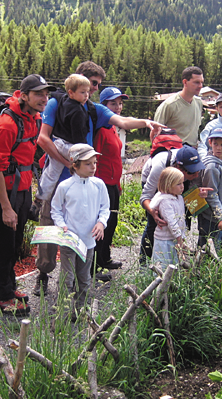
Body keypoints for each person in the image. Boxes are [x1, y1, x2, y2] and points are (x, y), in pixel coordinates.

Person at [35, 61, 162, 293]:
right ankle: (43, 273)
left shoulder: (92, 108)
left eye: (96, 85)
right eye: (92, 84)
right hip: (59, 176)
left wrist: (146, 122)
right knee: (50, 223)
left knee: (82, 224)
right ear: (79, 78)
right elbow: (43, 138)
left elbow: (122, 121)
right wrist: (65, 162)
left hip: (82, 179)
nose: (94, 89)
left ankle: (75, 278)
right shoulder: (56, 103)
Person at [0, 74, 56, 316]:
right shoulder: (6, 125)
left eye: (46, 94)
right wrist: (6, 207)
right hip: (4, 193)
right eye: (39, 94)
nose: (44, 98)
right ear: (24, 95)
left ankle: (9, 289)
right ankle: (2, 298)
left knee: (15, 243)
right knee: (4, 244)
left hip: (23, 189)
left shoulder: (34, 119)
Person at [51, 144, 110, 321]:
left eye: (95, 163)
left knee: (84, 279)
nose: (93, 167)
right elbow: (55, 210)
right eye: (88, 164)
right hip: (69, 241)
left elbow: (105, 208)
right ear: (75, 165)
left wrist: (101, 223)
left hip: (89, 241)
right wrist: (62, 225)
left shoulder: (98, 185)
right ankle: (61, 314)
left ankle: (80, 311)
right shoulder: (65, 186)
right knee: (67, 279)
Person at [139, 145, 208, 263]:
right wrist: (153, 213)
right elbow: (145, 197)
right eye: (192, 173)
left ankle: (177, 253)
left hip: (178, 178)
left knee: (182, 215)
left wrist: (198, 195)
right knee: (153, 223)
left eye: (198, 170)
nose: (196, 175)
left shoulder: (194, 166)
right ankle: (145, 262)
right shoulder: (159, 167)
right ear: (179, 168)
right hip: (155, 183)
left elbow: (190, 202)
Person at [91, 87, 129, 275]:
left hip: (113, 184)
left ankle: (104, 258)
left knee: (112, 222)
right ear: (103, 105)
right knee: (101, 223)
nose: (118, 107)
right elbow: (95, 159)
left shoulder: (112, 128)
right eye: (113, 103)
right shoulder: (101, 130)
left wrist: (118, 184)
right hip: (102, 184)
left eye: (120, 103)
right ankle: (95, 265)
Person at [39, 74, 91, 190]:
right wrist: (83, 149)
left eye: (87, 92)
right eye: (82, 92)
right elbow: (78, 135)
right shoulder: (78, 111)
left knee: (51, 174)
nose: (86, 95)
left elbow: (56, 93)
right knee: (83, 166)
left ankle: (40, 197)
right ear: (71, 92)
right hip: (69, 146)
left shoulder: (63, 99)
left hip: (57, 142)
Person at [198, 124, 222, 248]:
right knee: (209, 247)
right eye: (215, 144)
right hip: (211, 217)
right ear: (210, 143)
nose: (218, 148)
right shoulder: (212, 167)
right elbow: (211, 194)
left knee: (216, 246)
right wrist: (220, 217)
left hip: (221, 214)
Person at [154, 66, 205, 147]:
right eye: (196, 82)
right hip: (172, 153)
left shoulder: (199, 103)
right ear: (185, 82)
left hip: (193, 153)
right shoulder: (169, 105)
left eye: (202, 82)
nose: (200, 86)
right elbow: (155, 134)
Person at [149, 167, 187, 267]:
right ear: (168, 186)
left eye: (182, 183)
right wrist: (179, 238)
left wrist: (182, 236)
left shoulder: (179, 198)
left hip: (175, 238)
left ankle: (171, 282)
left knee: (175, 264)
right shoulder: (165, 202)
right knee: (163, 265)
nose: (182, 186)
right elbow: (172, 222)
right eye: (178, 184)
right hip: (165, 240)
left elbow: (181, 218)